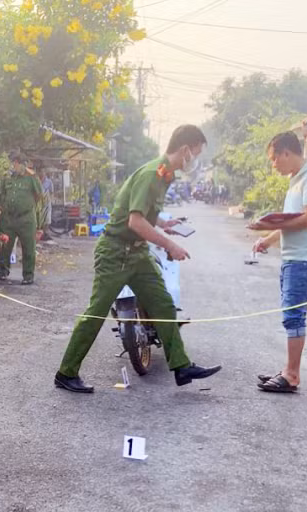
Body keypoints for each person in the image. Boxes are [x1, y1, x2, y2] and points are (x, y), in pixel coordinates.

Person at [54, 125, 222, 393]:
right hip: (116, 252)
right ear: (185, 149)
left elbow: (145, 213)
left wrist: (165, 223)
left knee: (163, 304)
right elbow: (134, 221)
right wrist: (170, 244)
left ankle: (181, 366)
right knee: (96, 313)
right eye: (197, 153)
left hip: (137, 253)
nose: (196, 160)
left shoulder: (165, 175)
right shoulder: (151, 174)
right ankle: (66, 372)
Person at [248, 131, 307, 393]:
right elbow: (289, 222)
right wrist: (268, 238)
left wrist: (268, 225)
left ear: (286, 152)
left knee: (294, 317)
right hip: (293, 258)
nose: (274, 165)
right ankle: (288, 370)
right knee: (290, 315)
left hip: (305, 260)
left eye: (274, 159)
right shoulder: (297, 179)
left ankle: (292, 375)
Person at [0, 151, 42, 285]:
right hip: (9, 218)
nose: (14, 166)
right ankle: (3, 272)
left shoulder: (31, 178)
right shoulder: (7, 178)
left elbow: (39, 194)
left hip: (26, 218)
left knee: (28, 247)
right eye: (13, 163)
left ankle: (28, 275)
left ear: (22, 164)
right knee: (5, 246)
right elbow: (2, 194)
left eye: (15, 163)